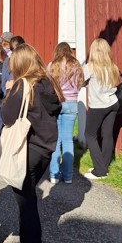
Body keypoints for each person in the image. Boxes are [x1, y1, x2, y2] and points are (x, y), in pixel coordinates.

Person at [1, 43, 63, 243]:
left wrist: (9, 93)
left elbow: (7, 118)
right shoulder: (49, 82)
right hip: (46, 149)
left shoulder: (23, 85)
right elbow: (54, 111)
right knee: (28, 200)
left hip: (28, 149)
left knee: (27, 205)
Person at [83, 38, 120, 179]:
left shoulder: (90, 67)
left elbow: (79, 81)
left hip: (98, 106)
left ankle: (99, 170)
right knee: (107, 134)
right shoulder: (112, 66)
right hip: (113, 103)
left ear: (93, 51)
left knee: (90, 135)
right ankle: (103, 166)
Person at [47, 42, 84, 184]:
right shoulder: (76, 65)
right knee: (68, 140)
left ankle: (54, 174)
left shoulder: (52, 65)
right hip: (72, 103)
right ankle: (68, 176)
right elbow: (80, 83)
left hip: (57, 103)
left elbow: (48, 84)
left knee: (56, 140)